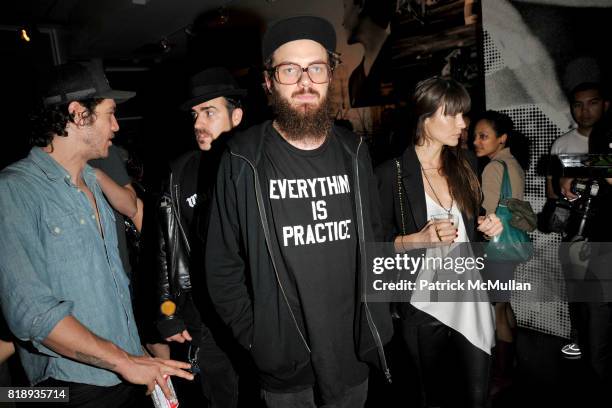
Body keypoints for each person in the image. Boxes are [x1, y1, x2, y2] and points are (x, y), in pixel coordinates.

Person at [205, 15, 392, 407]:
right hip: (283, 360)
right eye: (290, 70)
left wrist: (378, 319)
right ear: (268, 81)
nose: (305, 81)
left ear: (329, 75)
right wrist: (256, 336)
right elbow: (222, 265)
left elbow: (377, 244)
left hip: (353, 349)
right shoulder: (242, 159)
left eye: (316, 68)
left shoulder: (355, 152)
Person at [0, 62, 193, 407]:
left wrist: (136, 357)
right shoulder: (14, 190)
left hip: (123, 373)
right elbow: (31, 313)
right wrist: (126, 361)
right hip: (62, 385)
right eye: (110, 114)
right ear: (77, 114)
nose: (117, 126)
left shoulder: (91, 181)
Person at [376, 76, 503, 408]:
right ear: (425, 117)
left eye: (464, 115)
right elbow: (374, 245)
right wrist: (418, 239)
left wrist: (488, 225)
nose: (462, 124)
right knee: (430, 397)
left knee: (478, 394)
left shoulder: (466, 163)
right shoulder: (390, 173)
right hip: (422, 302)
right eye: (452, 115)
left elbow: (477, 216)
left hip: (469, 294)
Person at [154, 67, 245, 408]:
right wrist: (166, 312)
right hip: (205, 320)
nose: (198, 124)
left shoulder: (257, 164)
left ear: (236, 116)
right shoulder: (181, 171)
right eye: (195, 114)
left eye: (209, 112)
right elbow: (166, 245)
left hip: (256, 314)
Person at [547, 82, 610, 359]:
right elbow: (553, 190)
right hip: (576, 230)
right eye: (578, 104)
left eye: (592, 102)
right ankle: (581, 345)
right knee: (578, 295)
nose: (584, 111)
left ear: (605, 104)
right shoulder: (562, 143)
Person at [473, 110, 527, 396]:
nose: (476, 142)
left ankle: (501, 375)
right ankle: (512, 361)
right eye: (475, 136)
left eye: (484, 136)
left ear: (501, 138)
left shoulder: (493, 168)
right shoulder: (513, 164)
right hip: (513, 246)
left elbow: (488, 216)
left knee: (497, 310)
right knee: (504, 306)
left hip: (497, 249)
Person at [343, 0, 396, 107]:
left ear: (361, 4)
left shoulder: (405, 57)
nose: (342, 21)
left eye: (345, 7)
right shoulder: (354, 80)